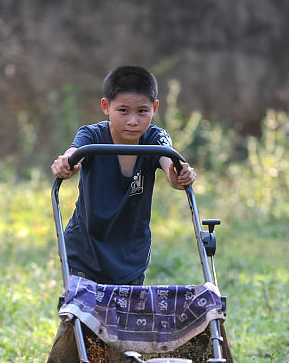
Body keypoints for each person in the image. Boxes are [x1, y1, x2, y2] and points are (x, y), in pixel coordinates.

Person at [51, 65, 196, 285]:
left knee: (127, 316)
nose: (133, 121)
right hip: (85, 251)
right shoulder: (92, 135)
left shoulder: (155, 140)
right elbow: (74, 154)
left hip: (130, 255)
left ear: (155, 108)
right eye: (123, 111)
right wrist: (66, 163)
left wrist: (179, 173)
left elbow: (170, 164)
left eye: (142, 111)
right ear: (105, 106)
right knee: (80, 315)